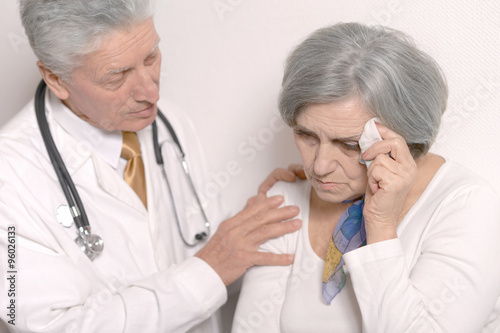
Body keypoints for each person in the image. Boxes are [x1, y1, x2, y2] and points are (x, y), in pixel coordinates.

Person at [0, 1, 304, 332]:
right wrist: (207, 271)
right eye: (117, 76)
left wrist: (254, 227)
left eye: (151, 57)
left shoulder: (170, 125)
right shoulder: (10, 178)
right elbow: (56, 327)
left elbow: (211, 269)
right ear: (55, 79)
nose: (150, 91)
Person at [232, 22, 500, 332]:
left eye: (347, 144)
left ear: (404, 139)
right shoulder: (286, 199)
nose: (319, 167)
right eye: (306, 135)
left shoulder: (468, 207)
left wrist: (382, 227)